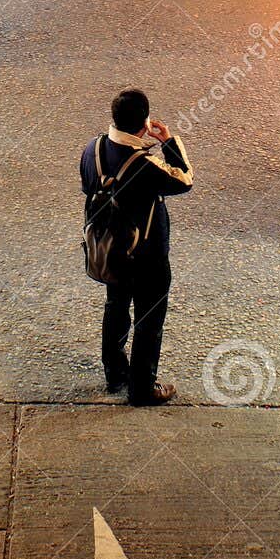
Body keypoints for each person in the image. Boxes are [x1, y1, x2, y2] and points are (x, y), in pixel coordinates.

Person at [80, 88, 193, 405]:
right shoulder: (146, 165)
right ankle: (142, 388)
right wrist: (168, 142)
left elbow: (88, 187)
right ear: (144, 124)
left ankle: (115, 373)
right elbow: (184, 179)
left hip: (110, 251)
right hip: (147, 257)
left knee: (115, 308)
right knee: (149, 318)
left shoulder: (93, 149)